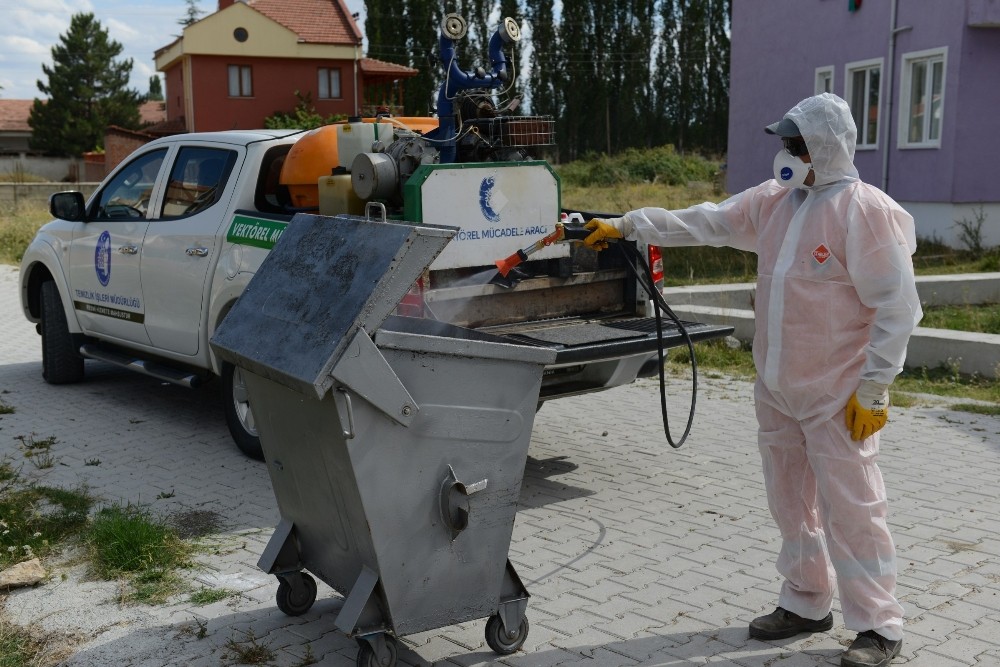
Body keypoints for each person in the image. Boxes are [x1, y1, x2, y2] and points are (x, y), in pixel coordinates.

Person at [582, 93, 921, 667]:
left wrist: (875, 388)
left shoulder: (865, 212)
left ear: (825, 148)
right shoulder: (775, 203)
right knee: (790, 505)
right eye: (784, 144)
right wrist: (625, 226)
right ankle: (807, 602)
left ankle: (878, 625)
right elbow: (705, 220)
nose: (786, 154)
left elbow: (897, 307)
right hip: (779, 389)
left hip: (839, 396)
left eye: (797, 144)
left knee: (855, 510)